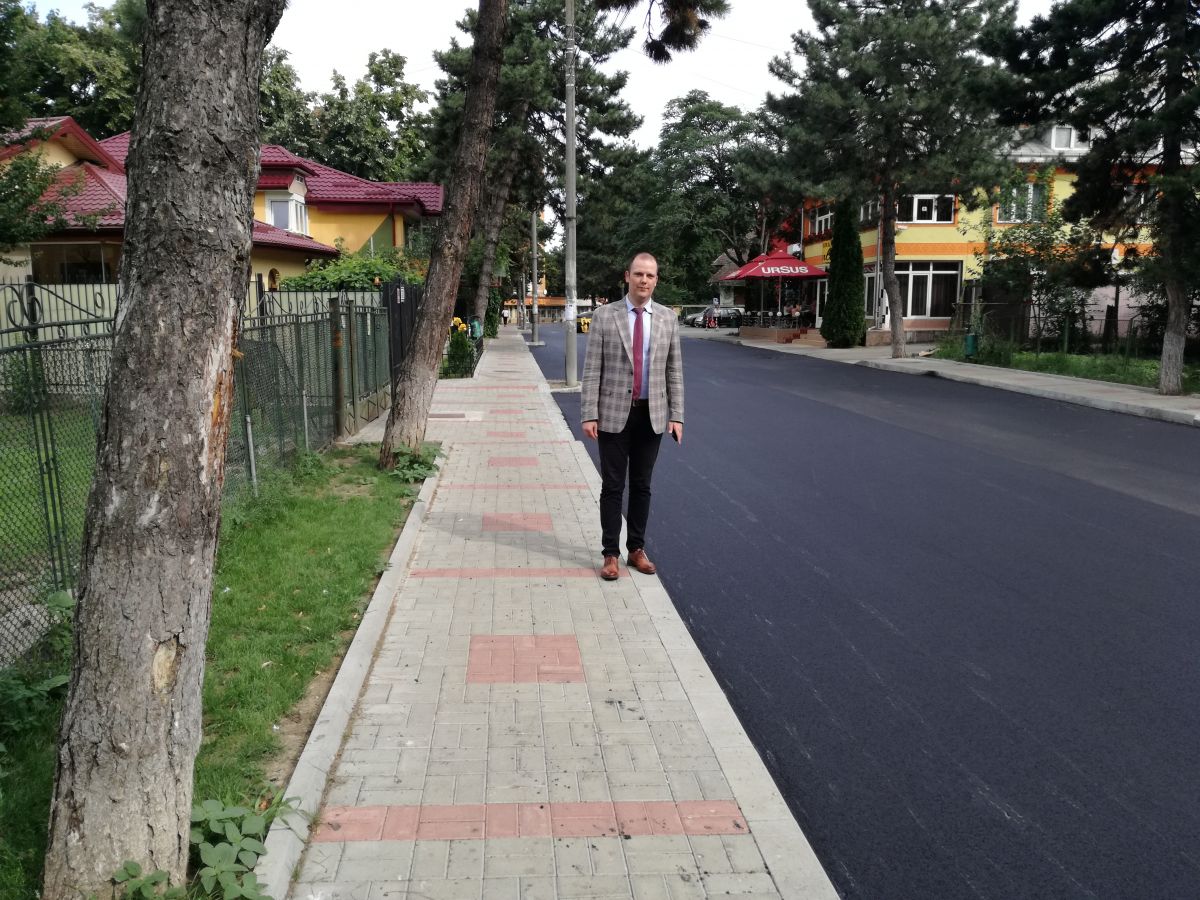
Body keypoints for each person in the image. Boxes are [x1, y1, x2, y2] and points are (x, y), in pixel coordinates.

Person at [580, 252, 684, 581]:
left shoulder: (667, 318)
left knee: (642, 485)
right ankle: (610, 553)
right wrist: (589, 413)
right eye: (638, 274)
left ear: (656, 280)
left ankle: (636, 548)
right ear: (627, 276)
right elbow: (592, 369)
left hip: (651, 415)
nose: (644, 280)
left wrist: (677, 415)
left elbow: (674, 370)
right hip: (612, 414)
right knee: (612, 486)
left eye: (650, 275)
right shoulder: (604, 316)